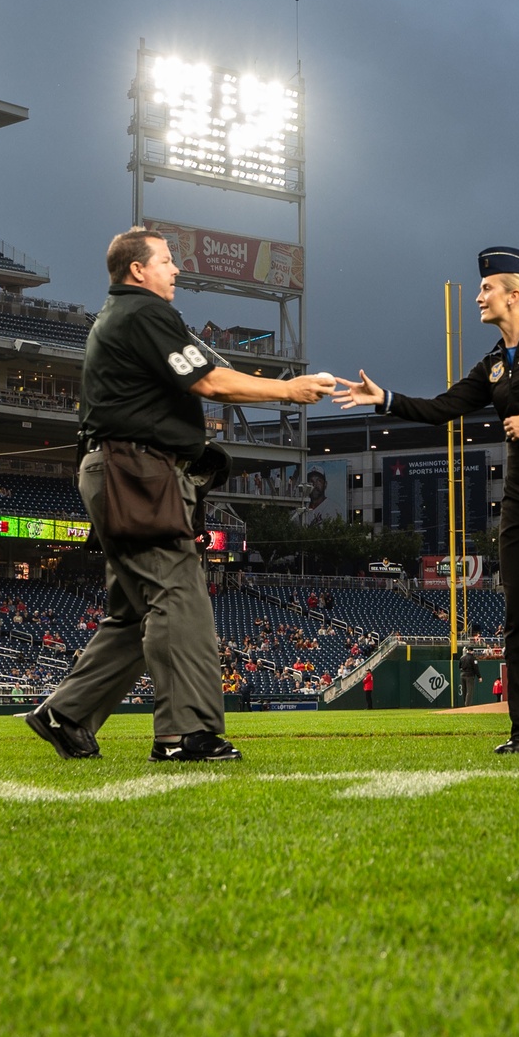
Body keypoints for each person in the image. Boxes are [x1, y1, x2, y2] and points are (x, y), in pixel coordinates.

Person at [25, 227, 333, 763]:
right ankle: (182, 734)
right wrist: (290, 390)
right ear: (137, 270)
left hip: (120, 469)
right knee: (177, 591)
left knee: (133, 611)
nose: (177, 270)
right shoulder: (143, 313)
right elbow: (211, 382)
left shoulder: (123, 316)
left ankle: (66, 713)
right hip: (135, 471)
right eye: (166, 261)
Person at [335, 245, 519, 753]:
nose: (479, 296)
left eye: (487, 289)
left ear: (515, 294)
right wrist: (385, 400)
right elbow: (443, 407)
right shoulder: (492, 365)